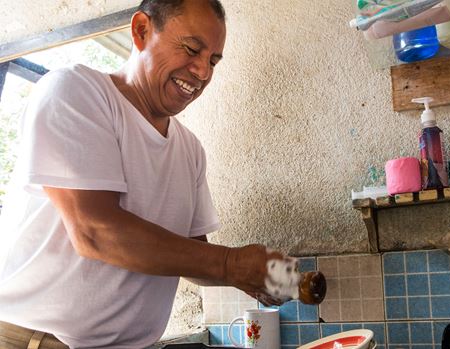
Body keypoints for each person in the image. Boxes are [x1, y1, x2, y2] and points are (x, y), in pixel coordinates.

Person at [0, 1, 291, 348]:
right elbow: (94, 232)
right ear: (141, 31)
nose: (202, 72)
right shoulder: (76, 92)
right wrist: (231, 264)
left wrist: (251, 276)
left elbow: (194, 258)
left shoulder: (190, 150)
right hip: (33, 340)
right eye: (191, 49)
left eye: (213, 61)